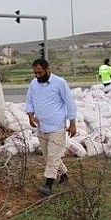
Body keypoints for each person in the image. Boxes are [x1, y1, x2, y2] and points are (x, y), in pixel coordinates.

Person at [25, 58, 77, 197]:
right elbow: (29, 101)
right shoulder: (34, 84)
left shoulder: (60, 83)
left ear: (47, 69)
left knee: (53, 155)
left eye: (40, 72)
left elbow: (69, 103)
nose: (37, 76)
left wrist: (72, 123)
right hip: (42, 127)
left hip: (57, 126)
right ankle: (64, 176)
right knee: (49, 156)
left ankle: (48, 184)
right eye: (35, 73)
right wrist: (30, 116)